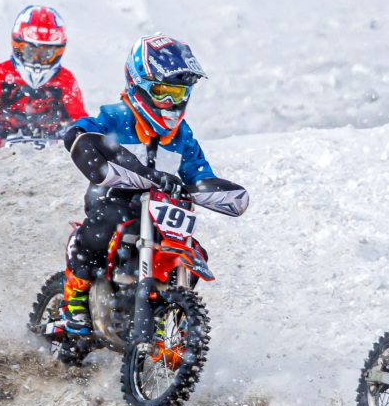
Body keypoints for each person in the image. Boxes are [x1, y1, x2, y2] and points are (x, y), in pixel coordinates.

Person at [59, 34, 249, 334]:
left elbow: (198, 172)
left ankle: (166, 312)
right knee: (103, 227)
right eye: (164, 92)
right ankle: (75, 298)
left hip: (162, 211)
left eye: (180, 93)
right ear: (139, 85)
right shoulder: (116, 117)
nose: (172, 102)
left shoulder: (182, 136)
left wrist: (210, 189)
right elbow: (80, 134)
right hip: (115, 198)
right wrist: (85, 142)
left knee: (193, 251)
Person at [0, 5, 88, 147]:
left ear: (58, 51)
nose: (37, 60)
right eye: (30, 51)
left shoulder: (64, 79)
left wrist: (57, 129)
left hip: (52, 162)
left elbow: (84, 128)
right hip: (7, 161)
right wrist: (5, 126)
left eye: (46, 54)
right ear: (17, 45)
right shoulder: (1, 74)